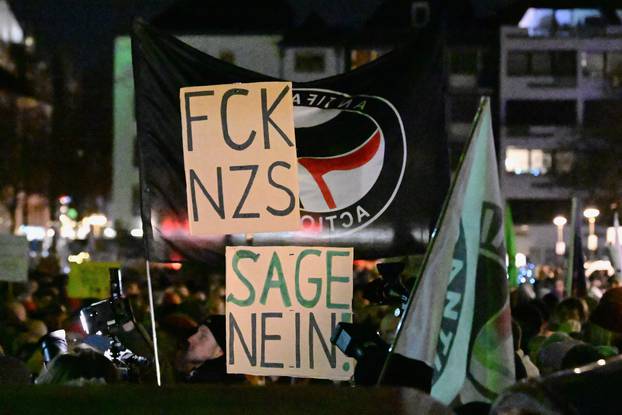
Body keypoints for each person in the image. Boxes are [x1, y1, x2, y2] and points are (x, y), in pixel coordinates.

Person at [181, 315, 244, 384]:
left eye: (202, 337)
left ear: (219, 352)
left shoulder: (207, 388)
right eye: (196, 332)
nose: (190, 339)